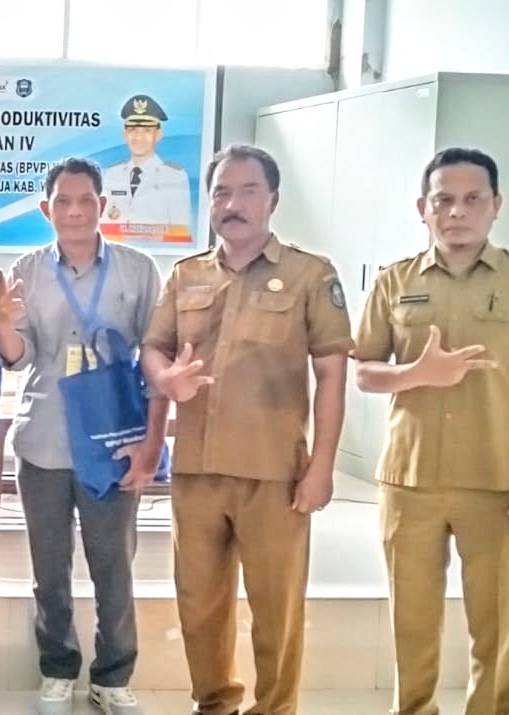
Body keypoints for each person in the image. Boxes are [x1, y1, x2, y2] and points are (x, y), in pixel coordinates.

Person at [353, 148, 509, 715]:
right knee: (411, 623)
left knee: (495, 625)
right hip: (410, 480)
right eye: (443, 200)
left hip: (500, 480)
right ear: (422, 208)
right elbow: (364, 372)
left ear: (496, 205)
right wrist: (416, 374)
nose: (457, 212)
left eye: (473, 199)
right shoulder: (394, 280)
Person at [142, 144, 353, 715]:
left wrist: (322, 467)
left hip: (274, 474)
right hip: (197, 471)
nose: (232, 204)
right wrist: (166, 378)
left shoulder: (310, 274)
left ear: (272, 200)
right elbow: (154, 347)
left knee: (276, 608)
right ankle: (214, 704)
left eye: (248, 191)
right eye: (221, 193)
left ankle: (276, 707)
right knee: (199, 605)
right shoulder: (186, 275)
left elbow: (332, 375)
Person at [0, 158, 165, 715]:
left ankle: (113, 676)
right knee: (50, 571)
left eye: (86, 200)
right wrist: (3, 327)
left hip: (113, 443)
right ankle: (57, 669)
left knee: (113, 567)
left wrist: (151, 443)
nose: (74, 211)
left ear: (102, 205)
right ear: (47, 209)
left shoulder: (138, 271)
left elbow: (156, 357)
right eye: (63, 202)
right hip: (44, 441)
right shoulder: (26, 270)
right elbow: (17, 358)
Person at [101, 94, 193, 239]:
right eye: (133, 130)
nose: (139, 137)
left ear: (158, 134)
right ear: (125, 134)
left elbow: (180, 232)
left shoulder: (174, 176)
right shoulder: (112, 174)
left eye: (147, 130)